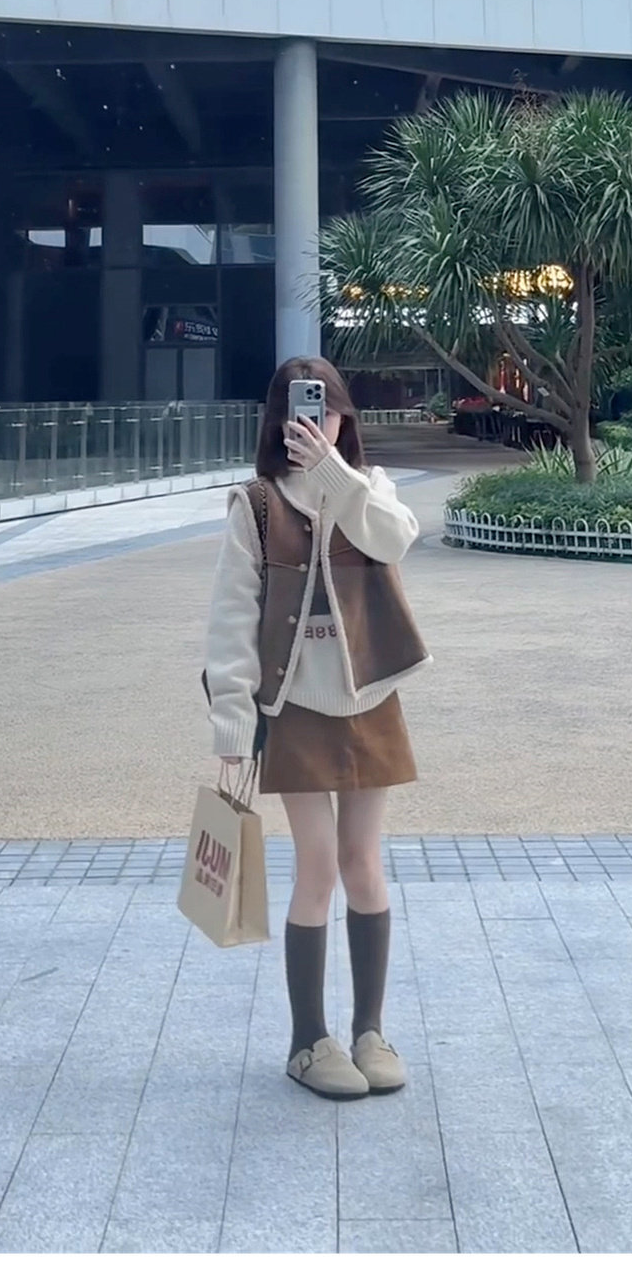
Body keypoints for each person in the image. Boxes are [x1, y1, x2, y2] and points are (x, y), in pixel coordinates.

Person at [204, 356, 432, 1101]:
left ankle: (370, 1031)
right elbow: (232, 617)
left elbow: (397, 539)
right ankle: (309, 1041)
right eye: (303, 410)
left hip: (369, 696)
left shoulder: (367, 487)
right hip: (296, 704)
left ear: (343, 417)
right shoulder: (256, 504)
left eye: (327, 409)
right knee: (319, 867)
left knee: (364, 862)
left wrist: (334, 472)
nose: (316, 422)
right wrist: (232, 721)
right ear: (278, 420)